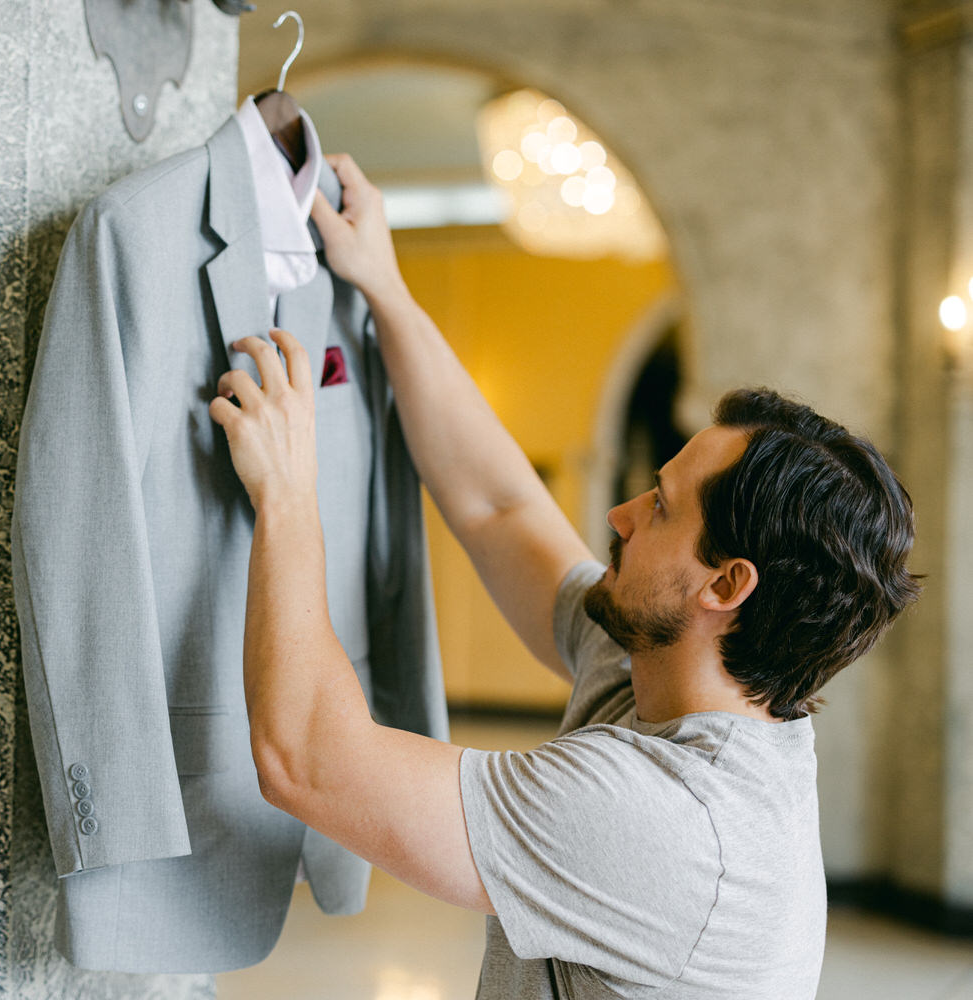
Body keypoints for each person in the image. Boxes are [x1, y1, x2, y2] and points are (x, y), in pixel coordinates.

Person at [206, 152, 920, 998]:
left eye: (659, 505)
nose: (619, 517)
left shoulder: (671, 822)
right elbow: (500, 506)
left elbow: (307, 760)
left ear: (726, 587)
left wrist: (288, 493)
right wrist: (387, 290)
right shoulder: (668, 668)